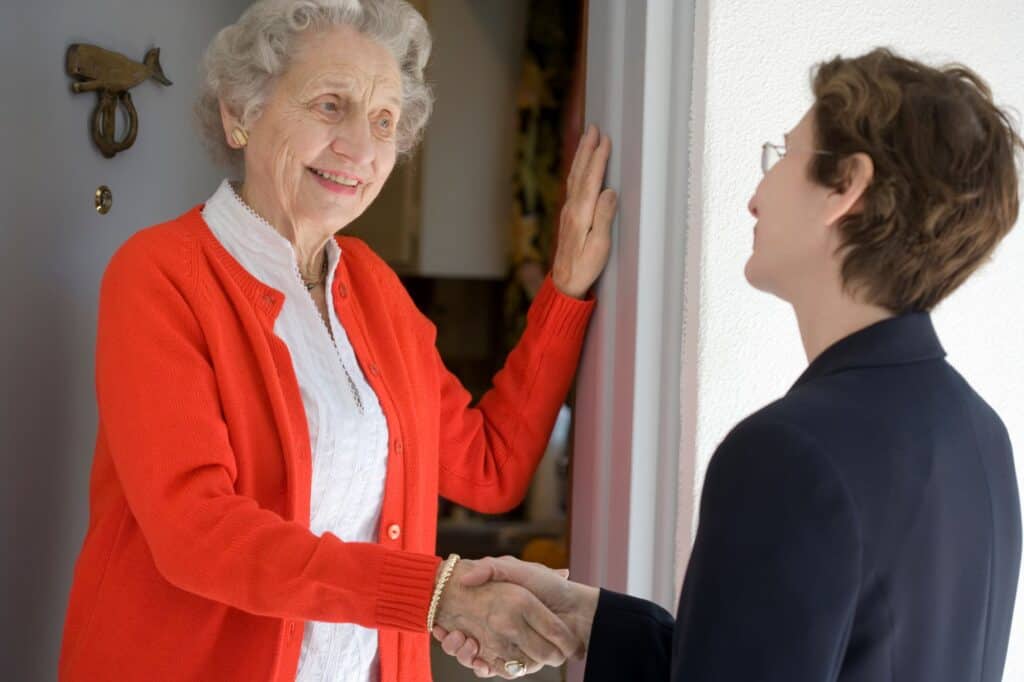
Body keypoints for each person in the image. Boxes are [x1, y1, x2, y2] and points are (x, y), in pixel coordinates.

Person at [57, 1, 618, 680]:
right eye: (330, 105)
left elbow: (488, 467)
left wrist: (562, 291)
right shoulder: (159, 276)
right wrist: (435, 598)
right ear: (241, 113)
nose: (361, 148)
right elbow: (197, 534)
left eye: (384, 121)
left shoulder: (374, 289)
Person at [435, 48, 1023, 681]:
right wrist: (591, 619)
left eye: (783, 157)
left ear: (846, 186)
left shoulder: (788, 454)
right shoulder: (981, 435)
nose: (754, 197)